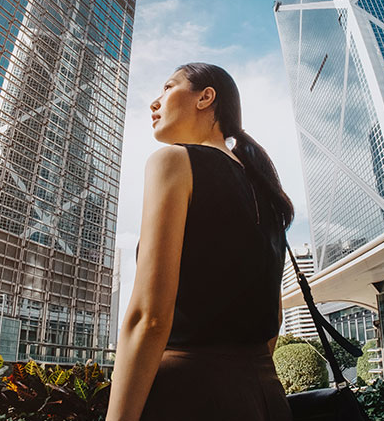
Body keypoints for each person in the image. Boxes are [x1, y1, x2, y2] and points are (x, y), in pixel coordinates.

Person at [106, 63, 293, 421]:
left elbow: (149, 318)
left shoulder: (173, 162)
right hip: (266, 398)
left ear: (205, 97)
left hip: (188, 397)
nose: (154, 102)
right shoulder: (269, 194)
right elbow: (274, 320)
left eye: (168, 87)